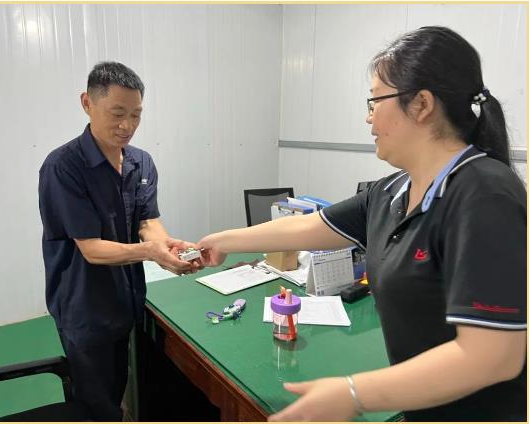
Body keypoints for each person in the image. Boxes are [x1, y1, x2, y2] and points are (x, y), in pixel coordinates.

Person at [198, 26, 526, 421]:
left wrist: (354, 393)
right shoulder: (392, 190)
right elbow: (312, 226)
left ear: (421, 104)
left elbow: (494, 356)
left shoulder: (484, 193)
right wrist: (224, 240)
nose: (368, 117)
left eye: (375, 101)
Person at [38, 61, 199, 420]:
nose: (127, 125)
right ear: (87, 103)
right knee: (96, 403)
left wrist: (168, 247)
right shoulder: (63, 167)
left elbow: (148, 222)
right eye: (117, 114)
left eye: (136, 115)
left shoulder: (141, 163)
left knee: (125, 383)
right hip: (85, 307)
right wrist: (151, 252)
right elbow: (92, 249)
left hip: (127, 300)